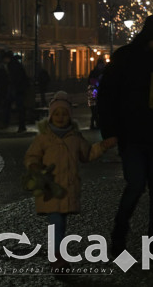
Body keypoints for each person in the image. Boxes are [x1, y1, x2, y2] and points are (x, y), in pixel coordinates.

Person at [97, 14, 153, 257]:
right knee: (135, 186)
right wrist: (110, 132)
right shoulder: (126, 57)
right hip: (132, 134)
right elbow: (107, 96)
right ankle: (119, 234)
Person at [24, 91, 116, 269]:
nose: (60, 117)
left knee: (61, 222)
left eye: (64, 114)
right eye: (57, 114)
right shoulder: (43, 137)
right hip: (50, 188)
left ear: (69, 116)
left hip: (68, 188)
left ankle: (58, 254)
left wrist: (102, 146)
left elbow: (87, 154)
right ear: (51, 116)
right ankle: (58, 257)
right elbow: (32, 156)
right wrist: (34, 167)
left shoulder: (75, 137)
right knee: (56, 221)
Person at [5, 52, 30, 132]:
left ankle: (8, 123)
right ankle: (21, 126)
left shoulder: (12, 65)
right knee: (20, 107)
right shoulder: (17, 65)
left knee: (12, 105)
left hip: (17, 88)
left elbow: (14, 78)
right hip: (20, 88)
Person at [86, 62, 106, 130]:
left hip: (98, 94)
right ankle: (95, 124)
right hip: (94, 95)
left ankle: (95, 124)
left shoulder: (104, 72)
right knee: (95, 110)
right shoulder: (95, 73)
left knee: (96, 111)